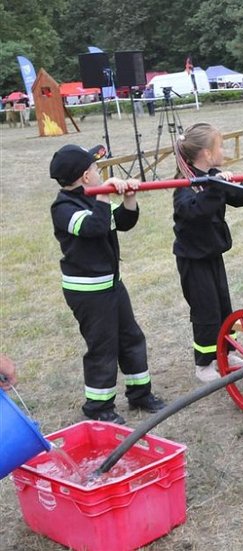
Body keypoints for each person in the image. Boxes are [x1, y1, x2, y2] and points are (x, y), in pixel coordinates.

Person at [50, 144, 166, 424]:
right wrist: (103, 194)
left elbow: (121, 222)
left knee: (131, 337)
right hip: (88, 291)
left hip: (112, 284)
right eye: (96, 169)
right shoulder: (63, 208)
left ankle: (140, 394)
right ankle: (98, 407)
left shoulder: (92, 199)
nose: (100, 174)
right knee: (103, 347)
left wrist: (129, 199)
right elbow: (94, 227)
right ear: (85, 176)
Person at [171, 123, 243, 383]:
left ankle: (226, 352)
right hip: (193, 260)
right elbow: (195, 211)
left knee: (223, 306)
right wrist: (216, 187)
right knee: (206, 311)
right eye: (220, 146)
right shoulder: (185, 185)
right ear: (206, 153)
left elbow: (242, 197)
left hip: (212, 254)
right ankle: (204, 363)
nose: (223, 151)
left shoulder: (214, 176)